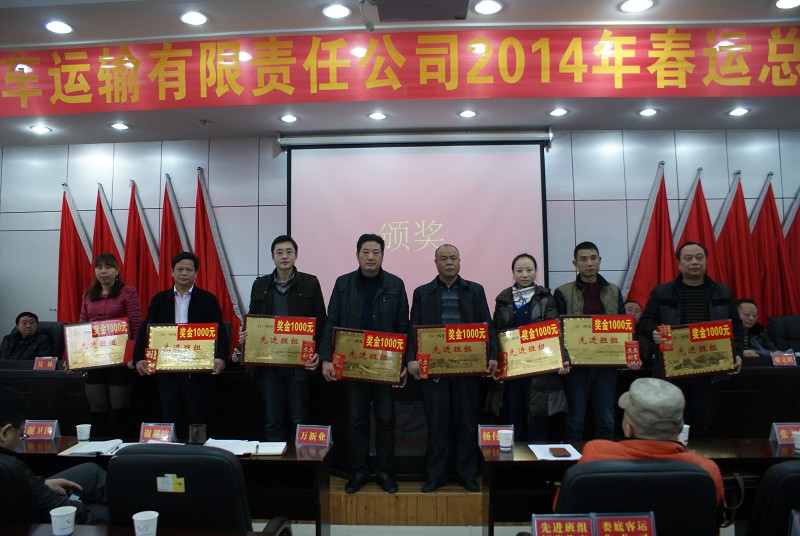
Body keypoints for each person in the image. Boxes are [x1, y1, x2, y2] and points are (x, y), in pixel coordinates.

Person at [318, 234, 409, 494]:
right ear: (357, 255)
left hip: (385, 366)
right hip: (353, 365)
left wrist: (403, 362)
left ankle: (385, 471)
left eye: (376, 252)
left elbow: (403, 325)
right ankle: (358, 471)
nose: (371, 257)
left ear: (383, 255)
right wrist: (326, 358)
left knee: (385, 419)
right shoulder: (343, 283)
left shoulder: (395, 284)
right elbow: (332, 321)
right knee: (356, 419)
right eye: (366, 252)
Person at [406, 244, 497, 493]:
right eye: (443, 259)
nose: (449, 262)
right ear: (435, 263)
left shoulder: (475, 290)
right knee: (437, 425)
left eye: (453, 258)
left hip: (467, 370)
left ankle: (467, 475)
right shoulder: (422, 293)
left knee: (466, 423)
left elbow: (487, 325)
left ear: (460, 261)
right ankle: (435, 476)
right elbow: (413, 328)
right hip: (434, 372)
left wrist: (492, 355)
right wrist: (411, 359)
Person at [640, 242, 743, 439]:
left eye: (699, 257)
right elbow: (646, 321)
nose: (694, 262)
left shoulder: (723, 292)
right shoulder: (662, 292)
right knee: (671, 424)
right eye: (688, 258)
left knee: (704, 425)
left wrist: (737, 353)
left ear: (706, 261)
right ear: (679, 264)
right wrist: (654, 332)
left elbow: (736, 327)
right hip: (673, 369)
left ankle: (702, 457)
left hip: (710, 369)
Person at [576, 377, 724, 508]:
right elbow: (714, 519)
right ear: (680, 430)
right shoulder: (706, 469)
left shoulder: (595, 455)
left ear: (628, 428)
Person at [132, 252, 230, 437]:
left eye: (189, 269)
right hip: (168, 369)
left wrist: (220, 357)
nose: (184, 273)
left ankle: (198, 450)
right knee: (171, 415)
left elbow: (220, 332)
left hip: (197, 370)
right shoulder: (160, 299)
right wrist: (138, 358)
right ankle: (172, 450)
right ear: (172, 272)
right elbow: (147, 329)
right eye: (180, 269)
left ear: (196, 273)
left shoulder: (208, 299)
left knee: (197, 416)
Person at [241, 235, 327, 442]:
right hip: (269, 364)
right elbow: (254, 319)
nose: (284, 256)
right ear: (272, 257)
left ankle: (299, 461)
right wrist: (245, 336)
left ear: (296, 255)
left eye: (289, 252)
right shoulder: (260, 285)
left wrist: (319, 353)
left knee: (299, 417)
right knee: (272, 419)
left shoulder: (310, 283)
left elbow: (321, 322)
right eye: (279, 252)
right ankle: (276, 461)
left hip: (299, 363)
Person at [554, 241, 639, 442]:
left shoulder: (614, 291)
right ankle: (575, 461)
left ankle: (606, 460)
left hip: (606, 365)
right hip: (576, 366)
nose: (589, 263)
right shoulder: (562, 292)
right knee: (575, 421)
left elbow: (625, 328)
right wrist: (562, 358)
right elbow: (558, 331)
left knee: (607, 420)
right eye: (584, 259)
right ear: (575, 263)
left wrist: (632, 355)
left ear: (600, 260)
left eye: (593, 258)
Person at [486, 253, 567, 442]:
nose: (524, 274)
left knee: (537, 419)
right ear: (513, 273)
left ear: (536, 272)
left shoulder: (546, 297)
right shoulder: (503, 299)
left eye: (529, 270)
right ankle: (515, 459)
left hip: (538, 369)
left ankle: (536, 459)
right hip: (512, 370)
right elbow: (496, 332)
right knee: (513, 417)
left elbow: (554, 331)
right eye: (520, 270)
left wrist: (562, 358)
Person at [0, 386, 109, 524]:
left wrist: (42, 483)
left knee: (92, 472)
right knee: (103, 510)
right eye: (21, 434)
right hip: (41, 524)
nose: (20, 439)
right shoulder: (10, 467)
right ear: (5, 433)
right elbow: (61, 510)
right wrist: (78, 506)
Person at [78, 253, 142, 437]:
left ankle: (120, 447)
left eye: (108, 267)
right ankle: (99, 447)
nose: (103, 271)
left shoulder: (127, 292)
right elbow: (82, 325)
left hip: (119, 358)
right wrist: (74, 356)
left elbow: (135, 324)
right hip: (94, 358)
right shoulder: (88, 294)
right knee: (97, 410)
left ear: (117, 271)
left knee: (119, 410)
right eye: (99, 267)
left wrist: (132, 355)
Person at [626, 299, 655, 367]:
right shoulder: (617, 334)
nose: (633, 314)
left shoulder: (646, 332)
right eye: (629, 310)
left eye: (637, 311)